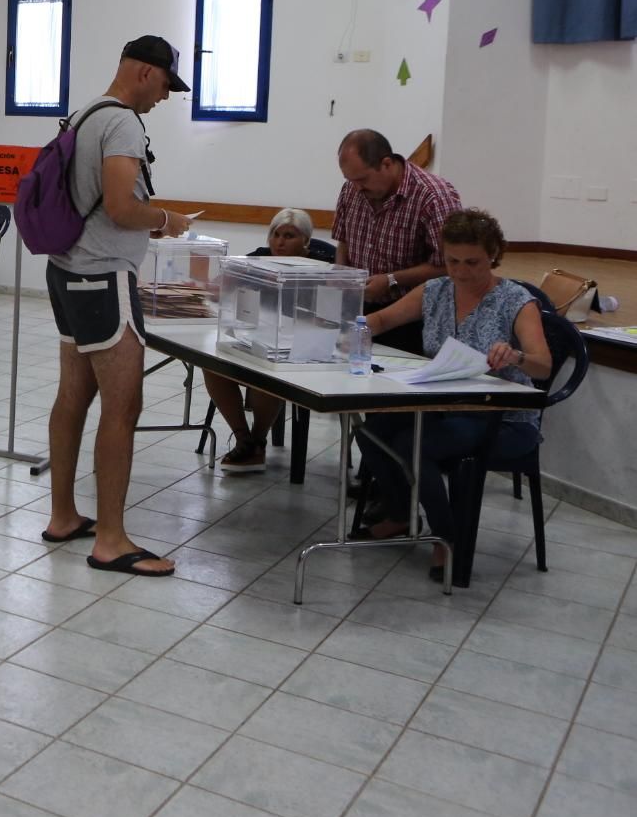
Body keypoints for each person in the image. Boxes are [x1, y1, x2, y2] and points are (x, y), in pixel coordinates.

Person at [42, 36, 195, 577]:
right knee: (122, 408)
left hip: (65, 272)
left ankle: (64, 515)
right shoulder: (123, 123)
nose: (165, 98)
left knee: (72, 397)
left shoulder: (82, 114)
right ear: (145, 73)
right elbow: (121, 207)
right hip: (103, 277)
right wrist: (166, 219)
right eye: (166, 86)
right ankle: (111, 540)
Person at [354, 209, 552, 581]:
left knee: (418, 445)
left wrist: (517, 356)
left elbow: (543, 365)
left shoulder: (515, 300)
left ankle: (449, 538)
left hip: (503, 418)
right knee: (372, 431)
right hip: (444, 407)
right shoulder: (436, 290)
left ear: (493, 254)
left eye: (472, 262)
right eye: (452, 261)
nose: (461, 271)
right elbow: (383, 320)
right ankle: (399, 514)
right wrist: (355, 328)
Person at [206, 208, 327, 473]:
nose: (280, 242)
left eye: (289, 236)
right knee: (213, 365)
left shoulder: (323, 263)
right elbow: (219, 285)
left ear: (306, 240)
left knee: (266, 371)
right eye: (275, 235)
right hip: (258, 338)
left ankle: (258, 441)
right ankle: (243, 438)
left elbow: (328, 317)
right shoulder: (260, 258)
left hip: (304, 347)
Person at [333, 129, 462, 356]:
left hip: (410, 319)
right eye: (349, 180)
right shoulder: (352, 190)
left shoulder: (433, 196)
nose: (356, 188)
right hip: (359, 310)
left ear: (386, 164)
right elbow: (343, 240)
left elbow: (450, 267)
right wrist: (343, 276)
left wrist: (392, 280)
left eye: (362, 179)